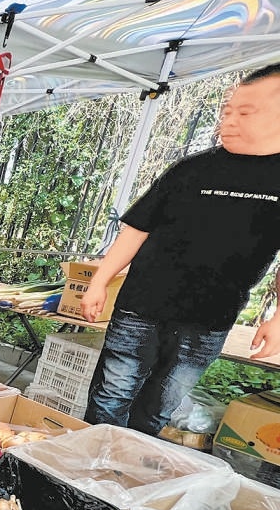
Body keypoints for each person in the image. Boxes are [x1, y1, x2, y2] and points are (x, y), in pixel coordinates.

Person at [82, 62, 280, 435]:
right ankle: (79, 473)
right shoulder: (192, 170)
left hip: (211, 318)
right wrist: (99, 281)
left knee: (160, 407)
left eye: (246, 112)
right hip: (141, 306)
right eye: (227, 111)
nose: (229, 121)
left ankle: (124, 475)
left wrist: (279, 317)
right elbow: (136, 229)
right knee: (111, 395)